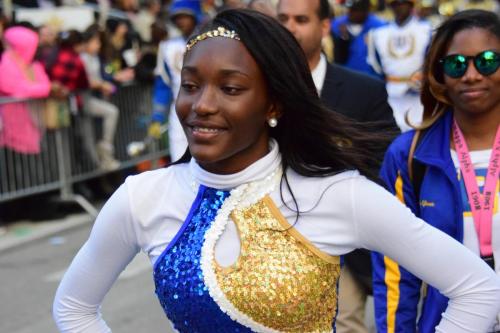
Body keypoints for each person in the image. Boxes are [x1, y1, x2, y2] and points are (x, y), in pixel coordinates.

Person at [53, 9, 500, 333]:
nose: (201, 105)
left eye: (230, 88)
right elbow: (73, 308)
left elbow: (479, 289)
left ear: (273, 104)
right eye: (190, 85)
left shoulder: (335, 194)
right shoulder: (142, 197)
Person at [372, 9, 500, 333]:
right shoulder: (409, 156)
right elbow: (396, 274)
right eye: (456, 64)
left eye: (487, 61)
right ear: (439, 74)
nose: (471, 75)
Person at [277, 1, 398, 332]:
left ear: (325, 26)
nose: (290, 28)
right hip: (275, 243)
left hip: (346, 243)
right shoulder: (257, 89)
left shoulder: (363, 90)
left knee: (340, 323)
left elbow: (385, 165)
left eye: (301, 19)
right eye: (283, 19)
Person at [366, 0, 432, 132]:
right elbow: (375, 65)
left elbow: (432, 61)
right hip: (391, 92)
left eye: (403, 3)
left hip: (419, 93)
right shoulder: (378, 34)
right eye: (396, 4)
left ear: (411, 5)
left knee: (420, 132)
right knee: (393, 132)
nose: (400, 7)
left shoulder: (427, 30)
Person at [150, 0, 202, 161]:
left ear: (194, 16)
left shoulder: (210, 41)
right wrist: (157, 117)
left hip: (206, 105)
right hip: (178, 109)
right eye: (177, 17)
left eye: (184, 16)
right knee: (178, 159)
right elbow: (164, 85)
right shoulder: (167, 47)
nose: (181, 20)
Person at [80, 25, 120, 171]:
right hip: (83, 99)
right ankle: (104, 149)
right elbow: (87, 80)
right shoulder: (83, 58)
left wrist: (103, 85)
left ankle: (104, 153)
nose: (98, 45)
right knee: (111, 112)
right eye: (95, 42)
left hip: (93, 97)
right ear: (87, 43)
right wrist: (102, 85)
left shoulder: (94, 58)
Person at [331, 0, 386, 78]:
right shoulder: (338, 24)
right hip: (346, 77)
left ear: (366, 10)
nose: (352, 13)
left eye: (356, 10)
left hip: (372, 78)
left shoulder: (380, 27)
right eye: (351, 9)